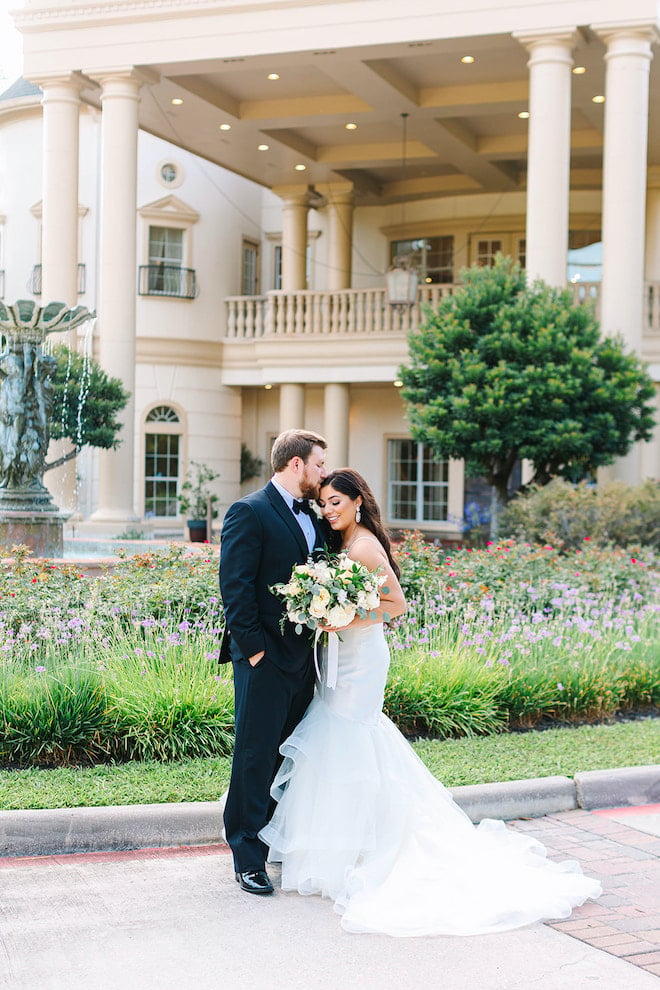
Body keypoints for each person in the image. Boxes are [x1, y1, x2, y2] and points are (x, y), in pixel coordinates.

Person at [259, 468, 602, 936]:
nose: (328, 510)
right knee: (336, 736)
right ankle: (347, 843)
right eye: (324, 503)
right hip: (343, 654)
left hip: (361, 660)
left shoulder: (362, 545)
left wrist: (340, 619)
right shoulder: (347, 542)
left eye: (336, 501)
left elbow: (395, 604)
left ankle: (364, 847)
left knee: (351, 736)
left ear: (358, 500)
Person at [219, 428, 328, 895]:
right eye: (319, 463)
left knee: (289, 753)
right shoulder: (250, 511)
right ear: (297, 464)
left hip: (309, 658)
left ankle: (277, 840)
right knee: (255, 754)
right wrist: (256, 650)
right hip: (264, 658)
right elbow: (236, 585)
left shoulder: (317, 516)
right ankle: (247, 855)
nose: (325, 472)